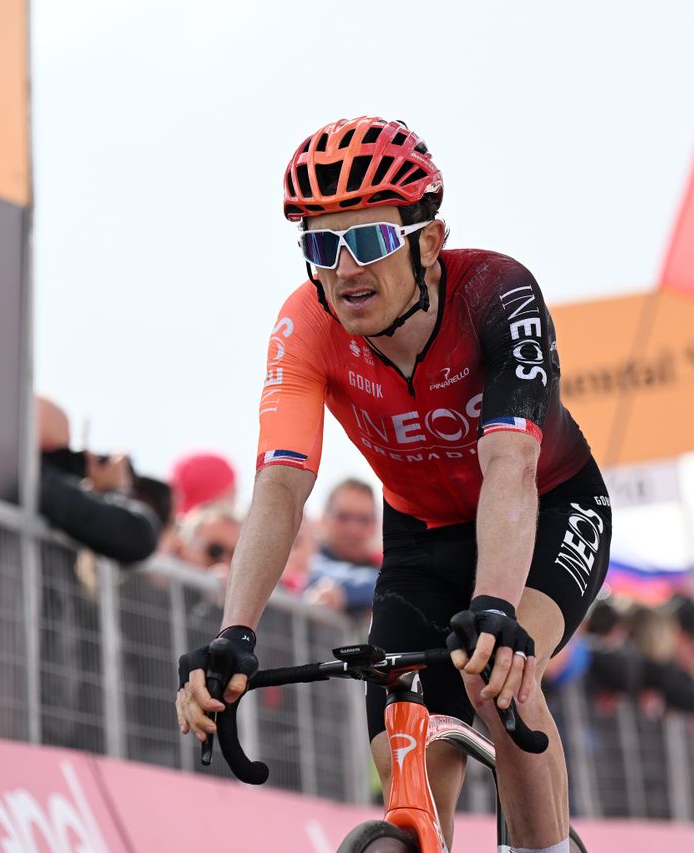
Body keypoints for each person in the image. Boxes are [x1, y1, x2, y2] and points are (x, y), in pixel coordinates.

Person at [176, 116, 611, 853]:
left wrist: (497, 606)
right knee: (402, 743)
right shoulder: (306, 326)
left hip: (544, 507)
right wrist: (234, 631)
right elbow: (281, 486)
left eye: (370, 239)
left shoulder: (496, 292)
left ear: (428, 242)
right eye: (321, 245)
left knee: (499, 680)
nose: (344, 269)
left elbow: (509, 463)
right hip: (420, 535)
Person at [36, 396, 160, 564]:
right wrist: (116, 490)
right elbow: (139, 535)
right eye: (58, 452)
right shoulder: (32, 477)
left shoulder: (40, 479)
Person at [304, 478, 381, 615]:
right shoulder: (307, 561)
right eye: (344, 517)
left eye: (364, 520)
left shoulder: (382, 568)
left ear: (375, 525)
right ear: (324, 519)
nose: (353, 529)